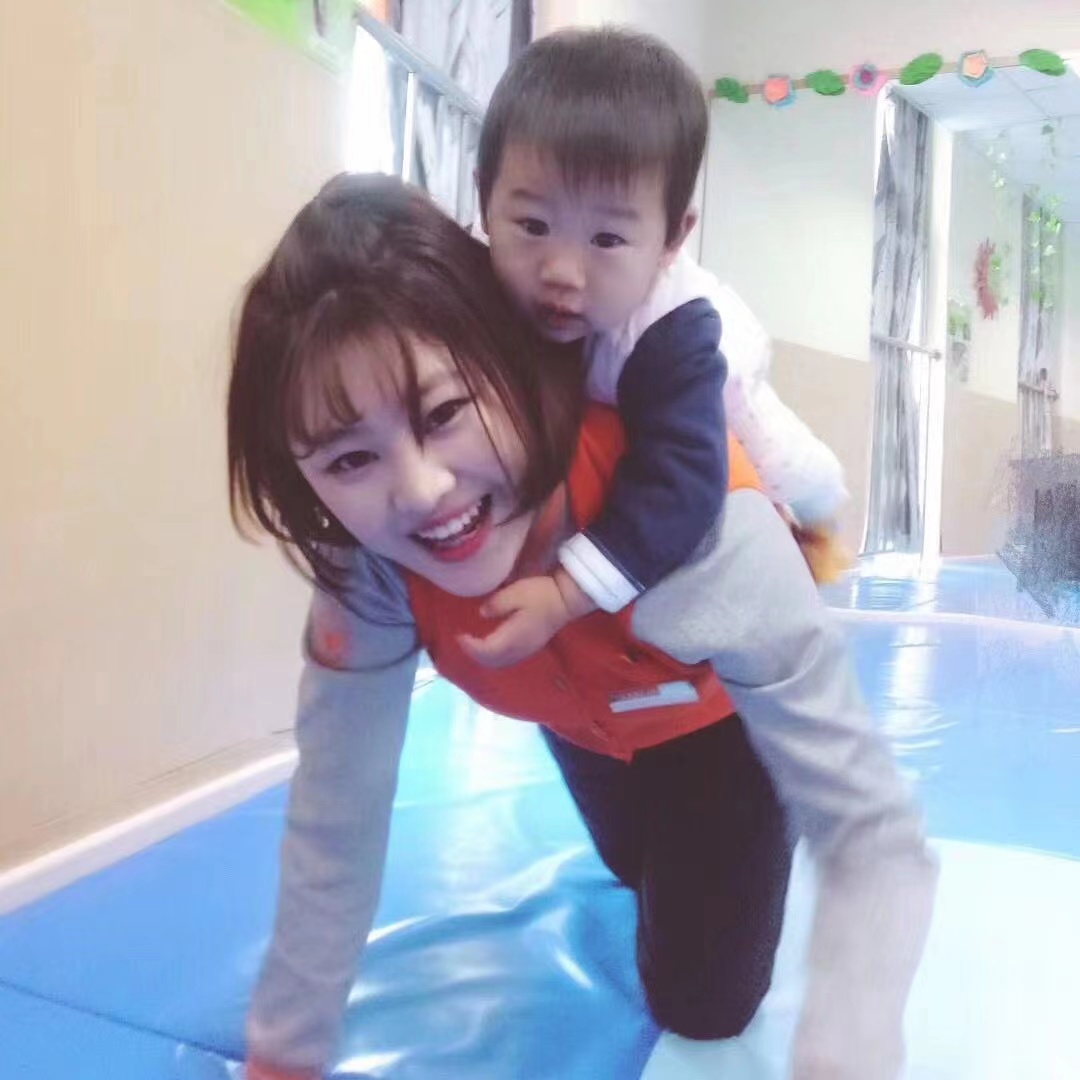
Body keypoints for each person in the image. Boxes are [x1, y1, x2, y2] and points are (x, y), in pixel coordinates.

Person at [230, 174, 936, 1080]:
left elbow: (856, 791)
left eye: (444, 414)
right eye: (350, 460)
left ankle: (762, 823)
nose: (423, 492)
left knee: (704, 1003)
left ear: (515, 361)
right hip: (580, 720)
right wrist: (285, 1049)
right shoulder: (370, 577)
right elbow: (337, 810)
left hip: (725, 724)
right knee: (630, 866)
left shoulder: (702, 522)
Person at [464, 27, 851, 668]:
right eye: (533, 225)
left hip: (714, 367)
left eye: (607, 239)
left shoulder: (670, 332)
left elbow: (681, 485)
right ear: (484, 200)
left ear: (673, 237)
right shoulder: (473, 272)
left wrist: (567, 593)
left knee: (785, 469)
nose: (561, 271)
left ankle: (820, 515)